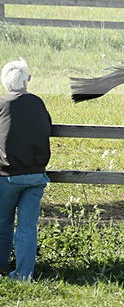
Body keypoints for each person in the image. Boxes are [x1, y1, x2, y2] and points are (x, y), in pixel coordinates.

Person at [0, 58, 52, 281]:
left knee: (3, 223)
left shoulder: (2, 104)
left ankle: (2, 267)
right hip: (36, 175)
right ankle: (23, 274)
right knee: (27, 228)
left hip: (8, 175)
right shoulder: (37, 103)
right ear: (26, 81)